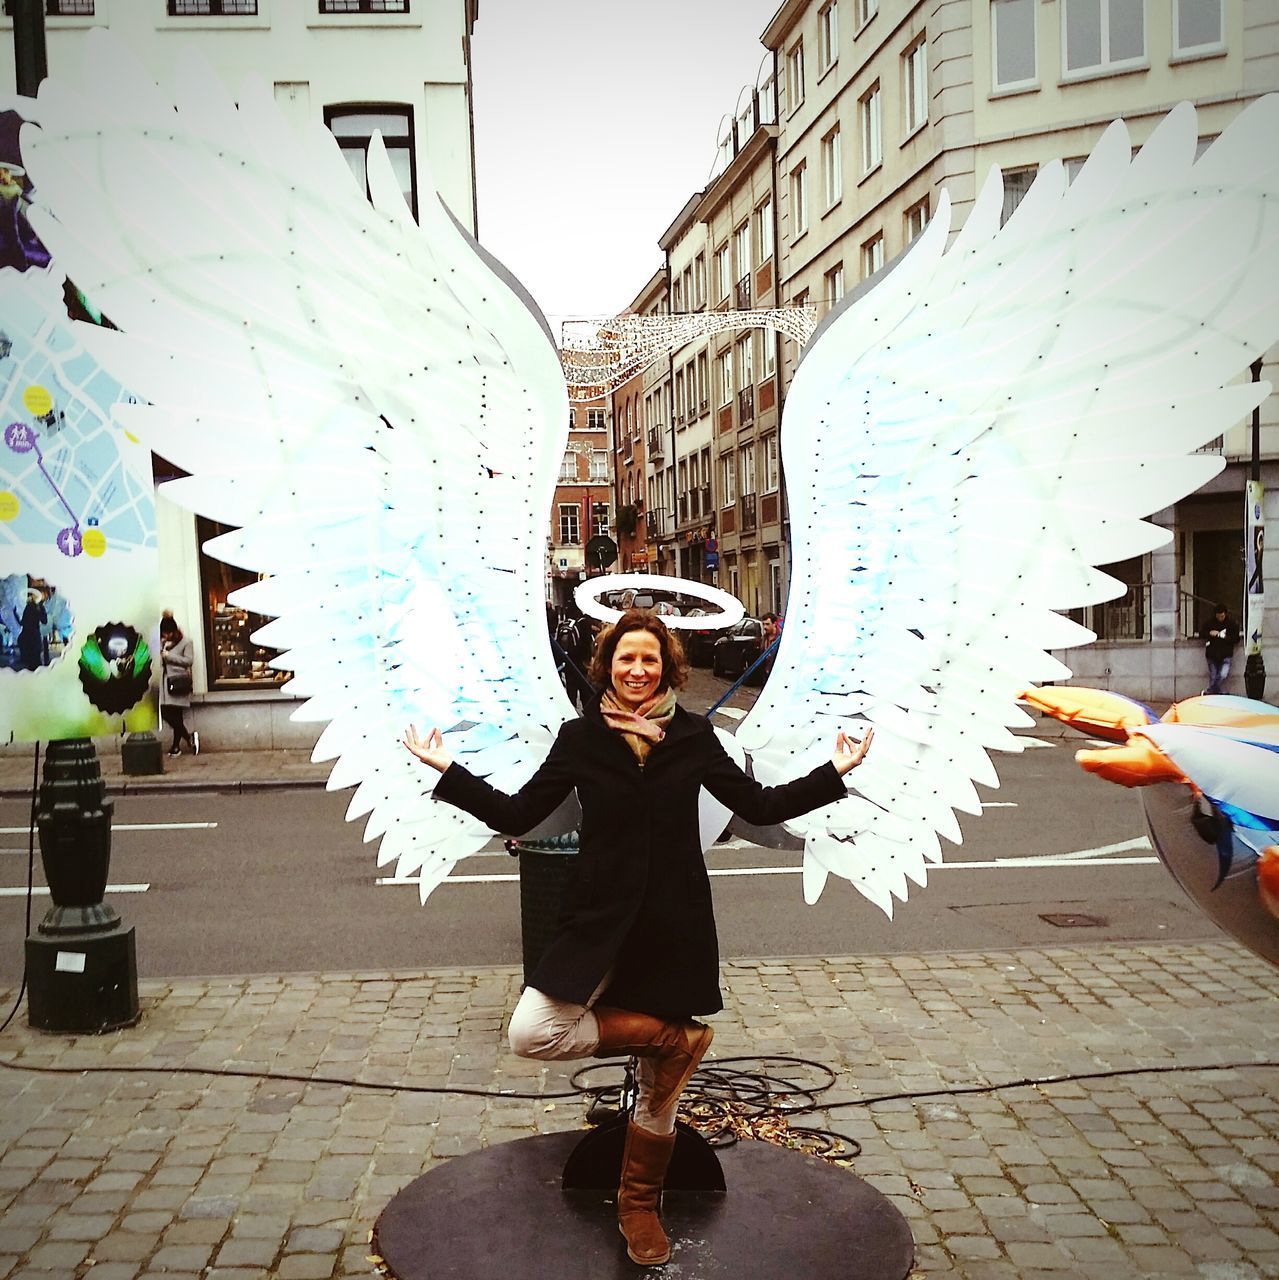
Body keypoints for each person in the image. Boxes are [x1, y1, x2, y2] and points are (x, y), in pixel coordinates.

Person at [403, 609, 872, 1266]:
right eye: (626, 658)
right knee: (531, 1031)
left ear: (667, 668)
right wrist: (447, 769)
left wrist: (834, 771)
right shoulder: (580, 738)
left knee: (660, 1088)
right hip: (595, 921)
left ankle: (637, 1205)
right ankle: (672, 1038)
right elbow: (518, 814)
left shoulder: (693, 738)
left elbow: (760, 806)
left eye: (650, 659)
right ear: (607, 666)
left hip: (672, 925)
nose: (637, 670)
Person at [159, 613, 199, 756]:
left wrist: (169, 656)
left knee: (176, 715)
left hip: (178, 681)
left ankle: (176, 747)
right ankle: (187, 738)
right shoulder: (161, 642)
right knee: (166, 713)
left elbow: (188, 661)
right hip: (165, 683)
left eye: (169, 632)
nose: (166, 635)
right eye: (164, 633)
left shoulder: (186, 642)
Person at [1200, 603, 1240, 696]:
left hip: (1226, 653)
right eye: (1218, 616)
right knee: (1213, 676)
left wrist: (1224, 637)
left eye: (1222, 616)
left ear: (1225, 614)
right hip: (1212, 653)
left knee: (1223, 675)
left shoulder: (1231, 624)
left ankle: (1210, 691)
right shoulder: (1210, 623)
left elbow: (1236, 639)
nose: (1220, 618)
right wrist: (1210, 633)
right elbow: (1202, 633)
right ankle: (1217, 693)